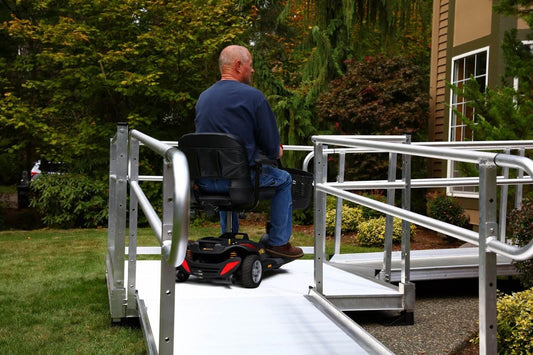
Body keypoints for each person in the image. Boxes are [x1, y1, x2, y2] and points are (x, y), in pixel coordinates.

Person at [194, 45, 303, 259]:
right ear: (238, 65)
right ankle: (279, 243)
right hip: (239, 181)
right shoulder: (254, 97)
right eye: (250, 65)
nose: (252, 71)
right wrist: (276, 151)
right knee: (284, 179)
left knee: (229, 170)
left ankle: (228, 235)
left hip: (205, 181)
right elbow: (272, 149)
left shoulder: (203, 97)